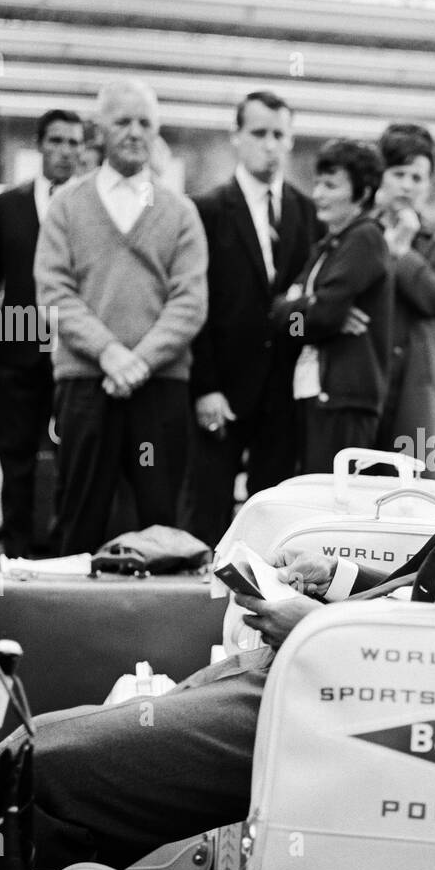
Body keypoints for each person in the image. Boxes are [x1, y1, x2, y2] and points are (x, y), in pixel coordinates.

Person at [32, 272, 435, 870]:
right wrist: (338, 581)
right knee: (47, 743)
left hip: (363, 723)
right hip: (340, 681)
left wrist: (321, 631)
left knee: (47, 774)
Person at [34, 79, 208, 556]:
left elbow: (190, 301)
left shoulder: (180, 212)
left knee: (159, 525)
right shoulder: (67, 205)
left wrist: (140, 362)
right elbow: (53, 292)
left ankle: (153, 627)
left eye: (145, 123)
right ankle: (73, 627)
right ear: (98, 130)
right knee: (80, 516)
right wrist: (109, 352)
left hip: (159, 388)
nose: (135, 132)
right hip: (86, 385)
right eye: (122, 121)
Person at [183, 91, 321, 545]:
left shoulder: (309, 215)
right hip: (222, 389)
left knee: (271, 518)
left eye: (279, 134)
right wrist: (204, 387)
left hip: (283, 393)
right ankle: (199, 605)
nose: (269, 144)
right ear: (236, 139)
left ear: (290, 141)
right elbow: (194, 304)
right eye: (258, 133)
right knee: (207, 510)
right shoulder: (205, 211)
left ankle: (257, 610)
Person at [0, 108, 85, 558]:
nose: (65, 151)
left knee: (75, 461)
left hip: (79, 354)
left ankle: (66, 555)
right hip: (19, 350)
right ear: (40, 145)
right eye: (57, 141)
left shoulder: (91, 206)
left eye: (74, 143)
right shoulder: (7, 206)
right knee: (17, 459)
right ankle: (16, 554)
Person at [268, 138, 392, 475]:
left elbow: (321, 317)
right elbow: (281, 314)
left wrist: (308, 309)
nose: (318, 194)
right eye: (317, 183)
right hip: (318, 391)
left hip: (345, 399)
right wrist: (306, 309)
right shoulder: (330, 244)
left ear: (363, 192)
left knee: (333, 503)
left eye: (331, 185)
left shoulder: (364, 237)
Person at [371, 123, 435, 481]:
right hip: (365, 378)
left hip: (416, 384)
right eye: (398, 173)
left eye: (418, 176)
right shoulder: (359, 231)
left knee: (414, 489)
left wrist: (403, 252)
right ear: (380, 176)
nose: (407, 185)